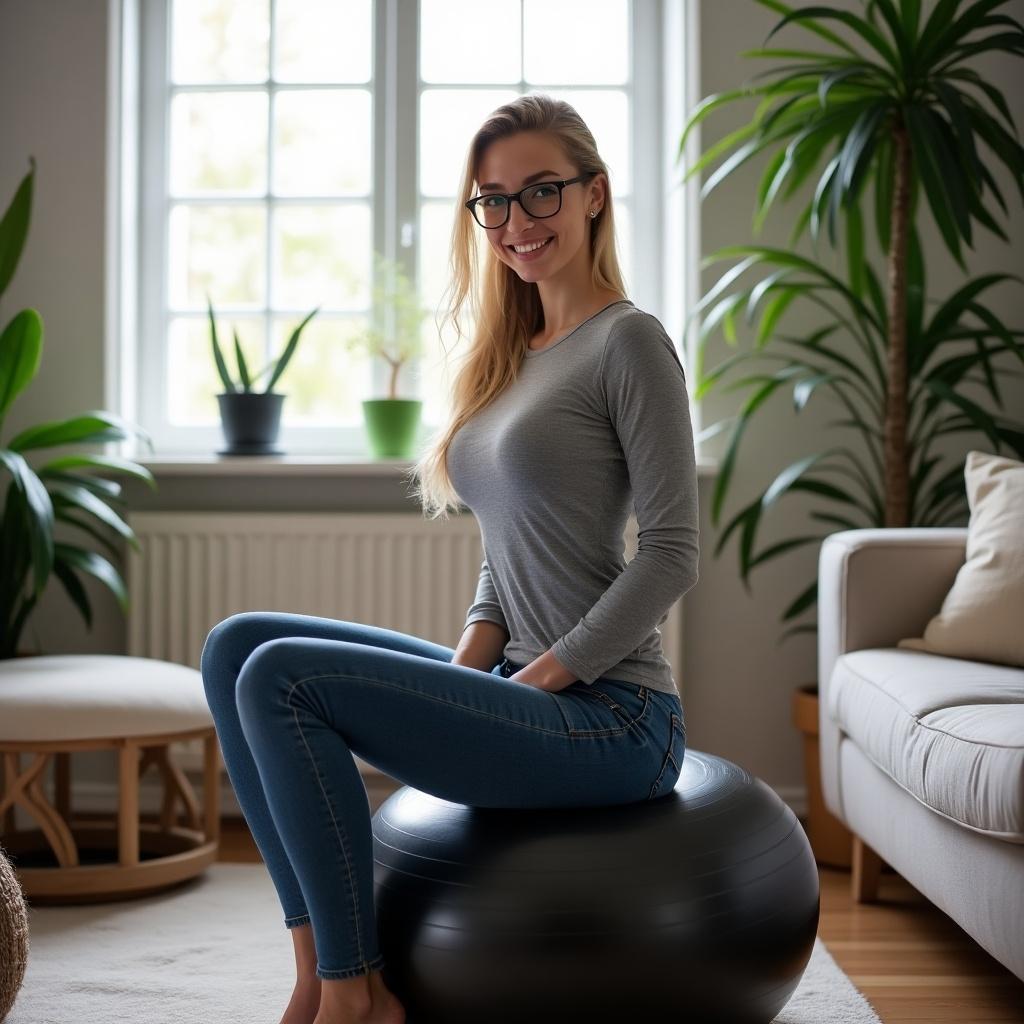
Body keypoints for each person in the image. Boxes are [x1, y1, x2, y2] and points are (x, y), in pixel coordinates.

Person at [200, 93, 698, 1024]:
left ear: (594, 194)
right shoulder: (518, 353)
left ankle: (357, 995)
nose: (516, 223)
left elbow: (672, 555)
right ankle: (315, 971)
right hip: (523, 683)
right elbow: (505, 545)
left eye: (540, 192)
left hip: (617, 718)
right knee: (237, 645)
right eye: (493, 201)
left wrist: (543, 677)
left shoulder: (629, 342)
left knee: (281, 676)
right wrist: (468, 671)